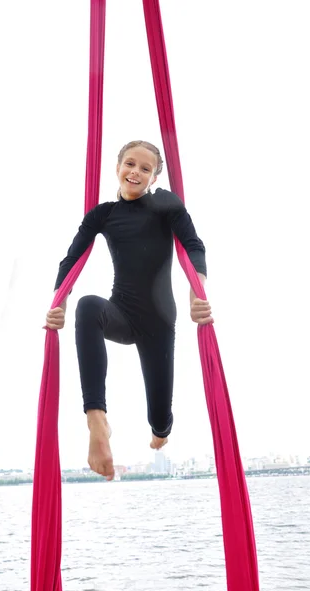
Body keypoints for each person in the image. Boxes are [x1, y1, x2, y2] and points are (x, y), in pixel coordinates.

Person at [46, 141, 213, 481]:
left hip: (159, 324)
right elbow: (72, 259)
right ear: (118, 167)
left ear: (154, 176)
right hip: (121, 312)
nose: (135, 172)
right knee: (88, 307)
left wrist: (199, 291)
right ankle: (97, 419)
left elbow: (194, 246)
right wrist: (58, 302)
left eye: (145, 168)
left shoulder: (166, 204)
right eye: (130, 164)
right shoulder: (102, 214)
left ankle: (160, 432)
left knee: (161, 420)